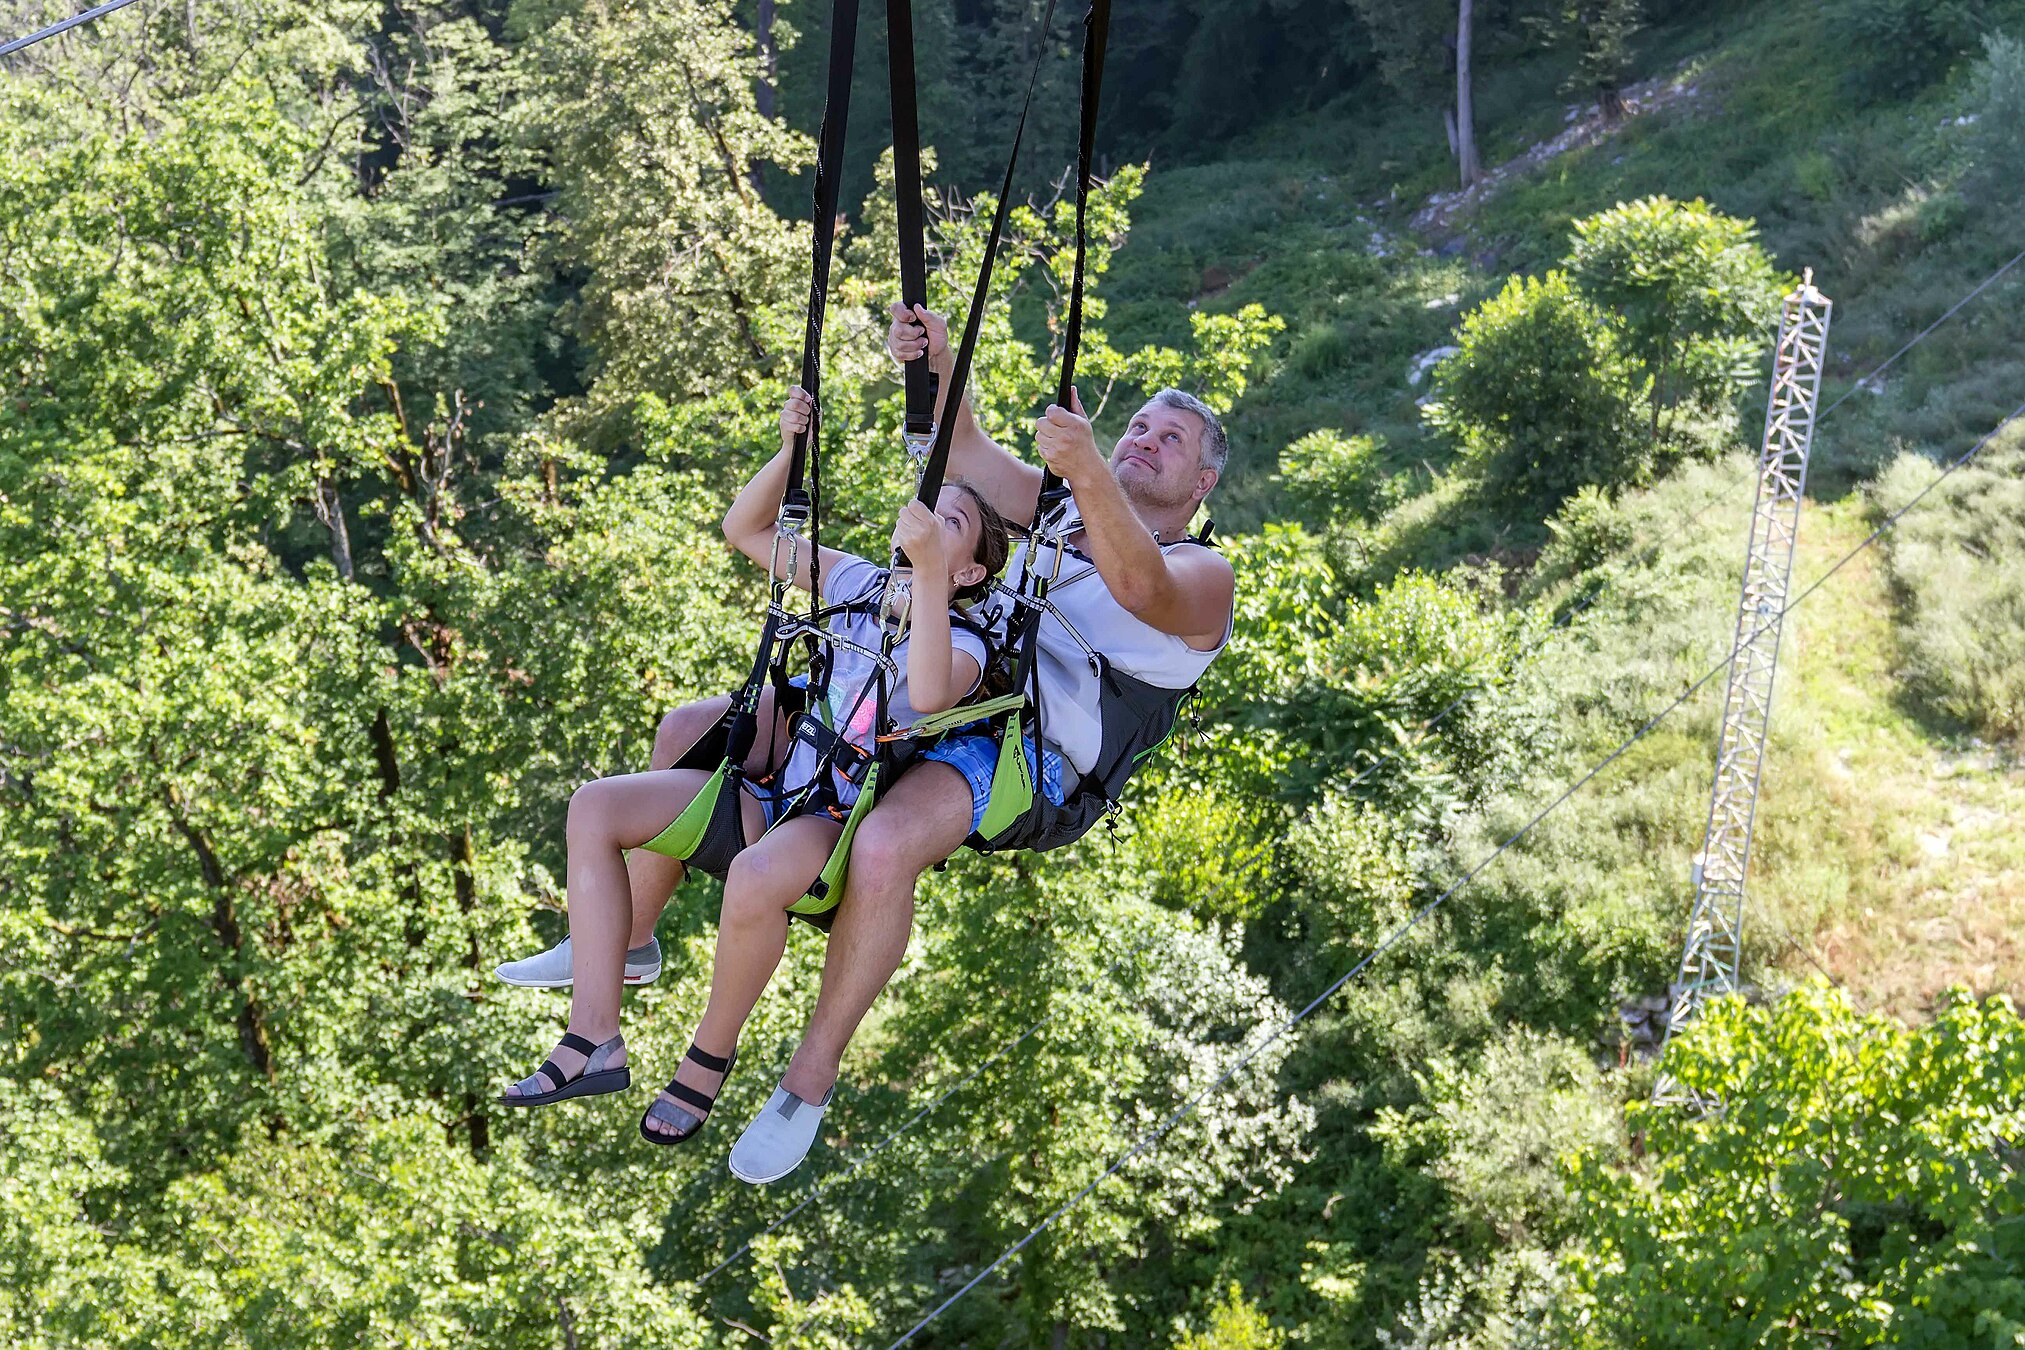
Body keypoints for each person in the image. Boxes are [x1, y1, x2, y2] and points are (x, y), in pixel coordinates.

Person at [496, 305, 1235, 1184]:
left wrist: (1080, 476)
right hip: (936, 688)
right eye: (1141, 426)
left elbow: (1136, 583)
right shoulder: (1060, 508)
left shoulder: (1202, 576)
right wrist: (932, 360)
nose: (1147, 439)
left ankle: (806, 1081)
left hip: (1022, 751)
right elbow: (957, 451)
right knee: (694, 728)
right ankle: (628, 943)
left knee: (885, 842)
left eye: (1173, 439)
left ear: (1201, 485)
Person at [498, 386, 1010, 1176]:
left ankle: (706, 1060)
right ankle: (593, 1033)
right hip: (776, 785)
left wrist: (933, 580)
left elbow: (935, 690)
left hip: (831, 821)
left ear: (971, 565)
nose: (926, 525)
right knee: (594, 808)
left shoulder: (965, 631)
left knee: (753, 874)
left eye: (951, 523)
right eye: (924, 509)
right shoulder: (855, 583)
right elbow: (747, 530)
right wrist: (786, 452)